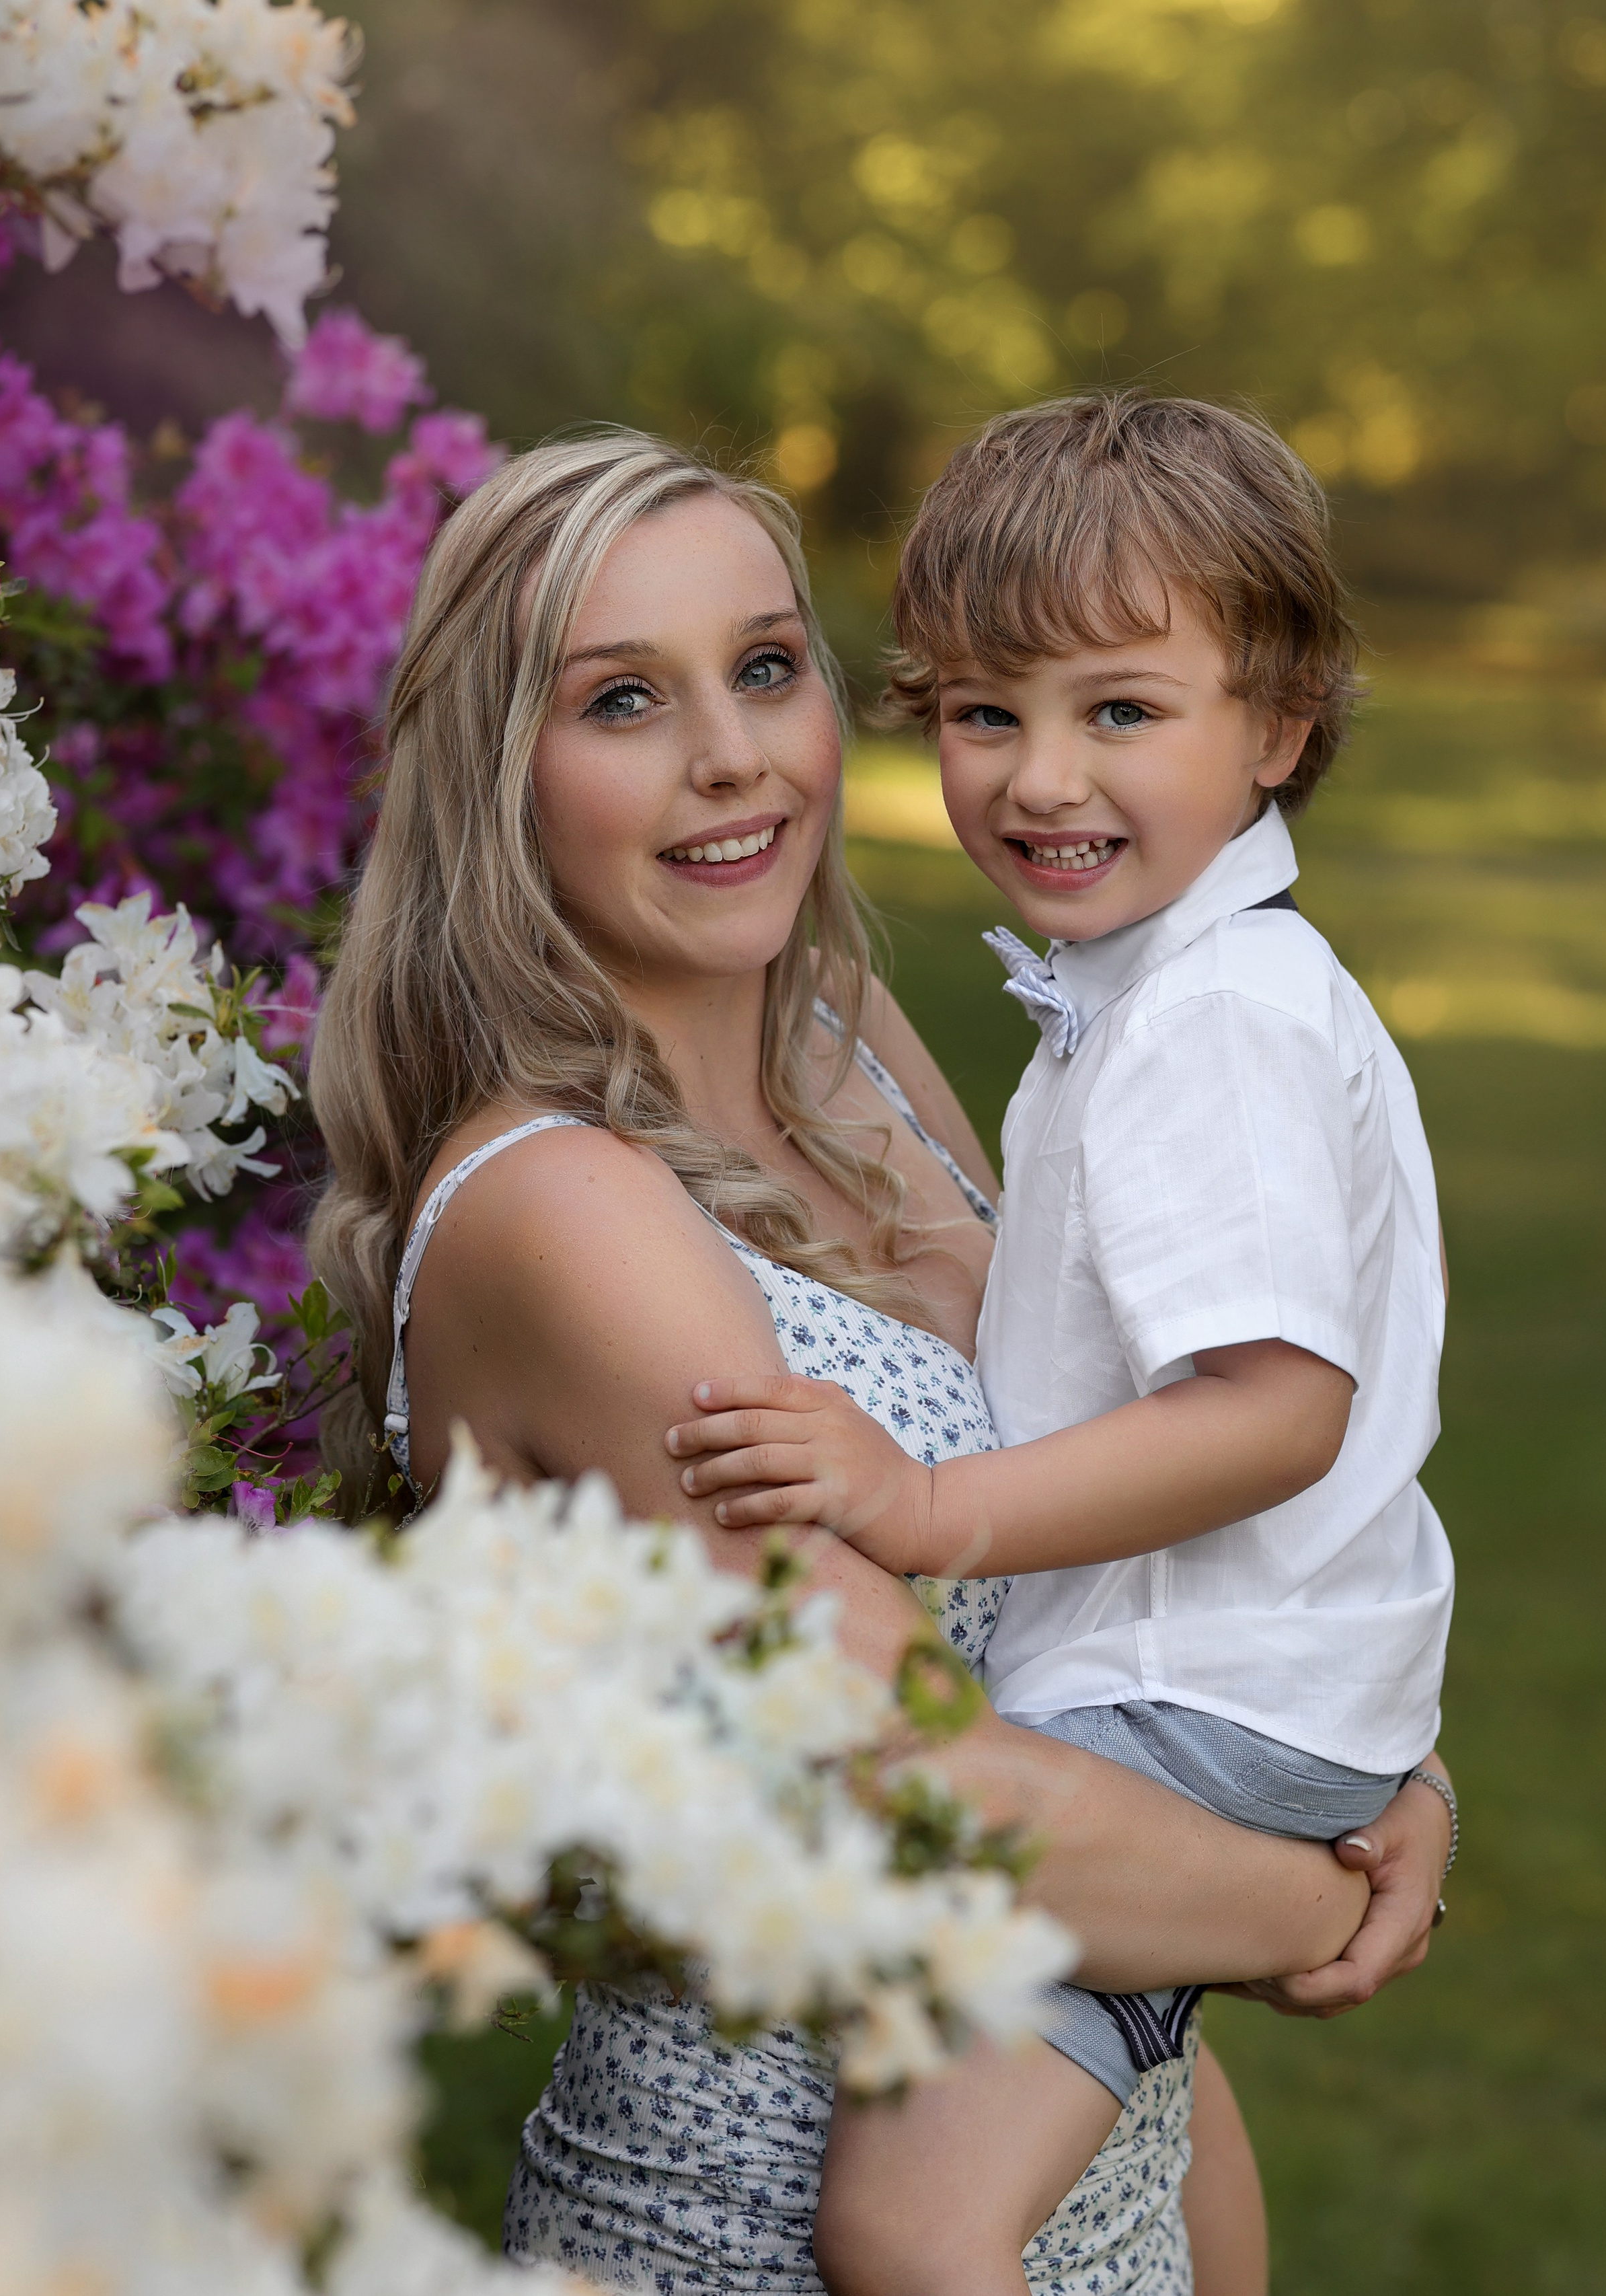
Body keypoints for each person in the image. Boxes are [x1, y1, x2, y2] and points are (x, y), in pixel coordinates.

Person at [306, 426, 1455, 2295]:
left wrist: (1353, 1762)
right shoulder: (566, 1214)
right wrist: (1323, 1887)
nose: (731, 755)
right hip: (764, 2239)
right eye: (623, 700)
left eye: (767, 668)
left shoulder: (841, 1051)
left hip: (1068, 2173)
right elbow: (911, 1791)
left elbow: (1099, 1658)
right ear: (501, 774)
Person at [665, 395, 1459, 2294]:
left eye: (1119, 711)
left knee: (912, 2220)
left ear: (1276, 726)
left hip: (1195, 1705)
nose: (1037, 778)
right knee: (1093, 2180)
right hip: (1252, 1696)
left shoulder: (1215, 1024)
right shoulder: (1167, 996)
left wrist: (933, 1510)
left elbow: (1278, 1415)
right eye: (982, 712)